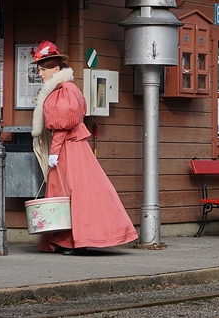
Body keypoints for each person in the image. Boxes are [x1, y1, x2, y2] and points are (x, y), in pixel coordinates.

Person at [30, 40, 138, 254]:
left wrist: (54, 151)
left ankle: (70, 239)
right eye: (39, 70)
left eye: (43, 70)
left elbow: (63, 122)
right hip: (74, 146)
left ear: (56, 69)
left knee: (69, 192)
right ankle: (73, 237)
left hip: (68, 148)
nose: (40, 74)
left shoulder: (63, 90)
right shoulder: (67, 88)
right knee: (81, 192)